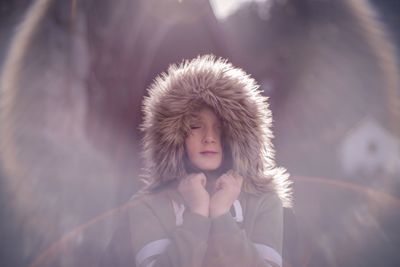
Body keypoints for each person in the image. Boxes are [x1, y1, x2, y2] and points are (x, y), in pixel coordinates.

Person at [129, 55, 292, 267]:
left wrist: (222, 215)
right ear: (175, 136)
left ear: (237, 135)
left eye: (220, 128)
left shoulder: (263, 202)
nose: (209, 137)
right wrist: (197, 214)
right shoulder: (149, 205)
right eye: (195, 127)